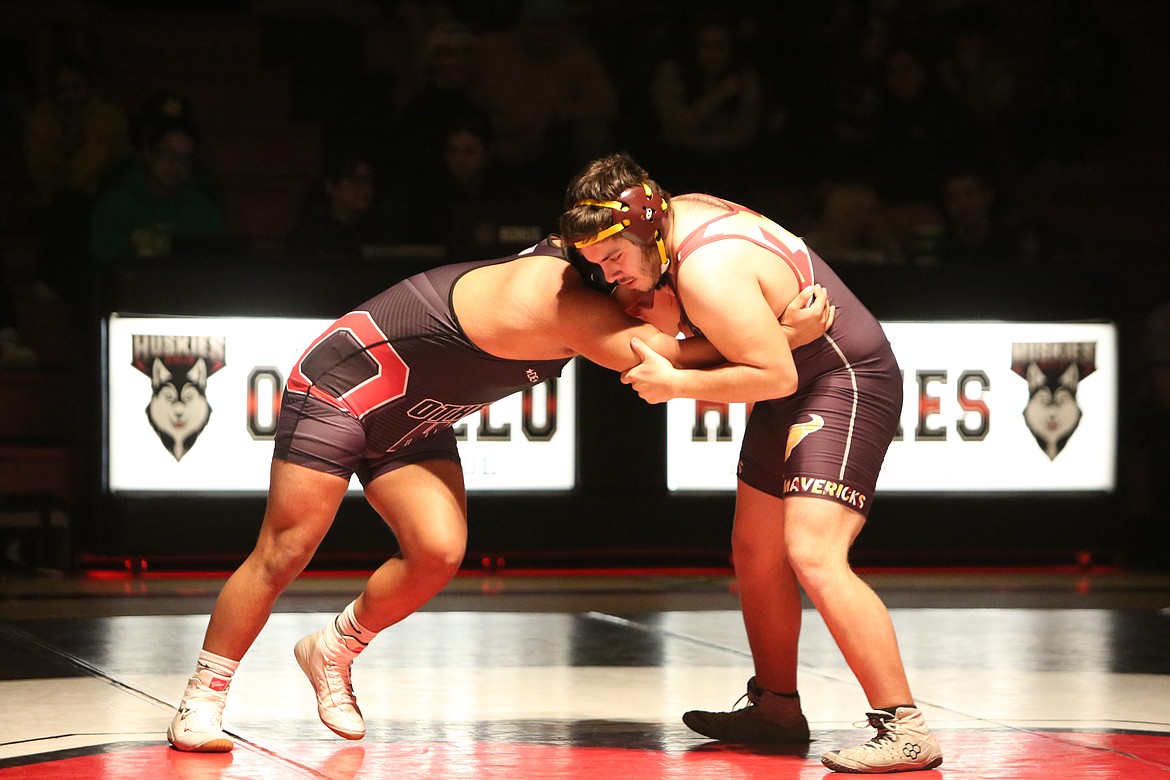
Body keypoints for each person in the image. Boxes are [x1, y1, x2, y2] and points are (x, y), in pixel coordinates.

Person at [167, 234, 835, 753]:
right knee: (287, 549)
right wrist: (784, 338)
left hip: (416, 413)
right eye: (632, 276)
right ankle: (202, 698)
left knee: (437, 552)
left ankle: (332, 649)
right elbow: (668, 360)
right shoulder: (561, 295)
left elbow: (677, 341)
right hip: (346, 384)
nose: (648, 289)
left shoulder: (588, 284)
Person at [558, 152, 942, 773]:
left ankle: (904, 725)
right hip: (793, 377)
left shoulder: (707, 268)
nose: (610, 280)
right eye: (598, 267)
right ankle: (776, 708)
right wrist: (777, 338)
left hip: (842, 380)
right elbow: (761, 351)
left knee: (813, 553)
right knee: (755, 550)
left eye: (613, 261)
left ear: (645, 225)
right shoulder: (673, 219)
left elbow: (769, 372)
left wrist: (677, 380)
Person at [89, 112, 228, 264]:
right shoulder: (116, 204)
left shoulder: (203, 209)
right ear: (149, 155)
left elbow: (216, 262)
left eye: (185, 159)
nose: (176, 166)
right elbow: (104, 261)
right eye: (169, 155)